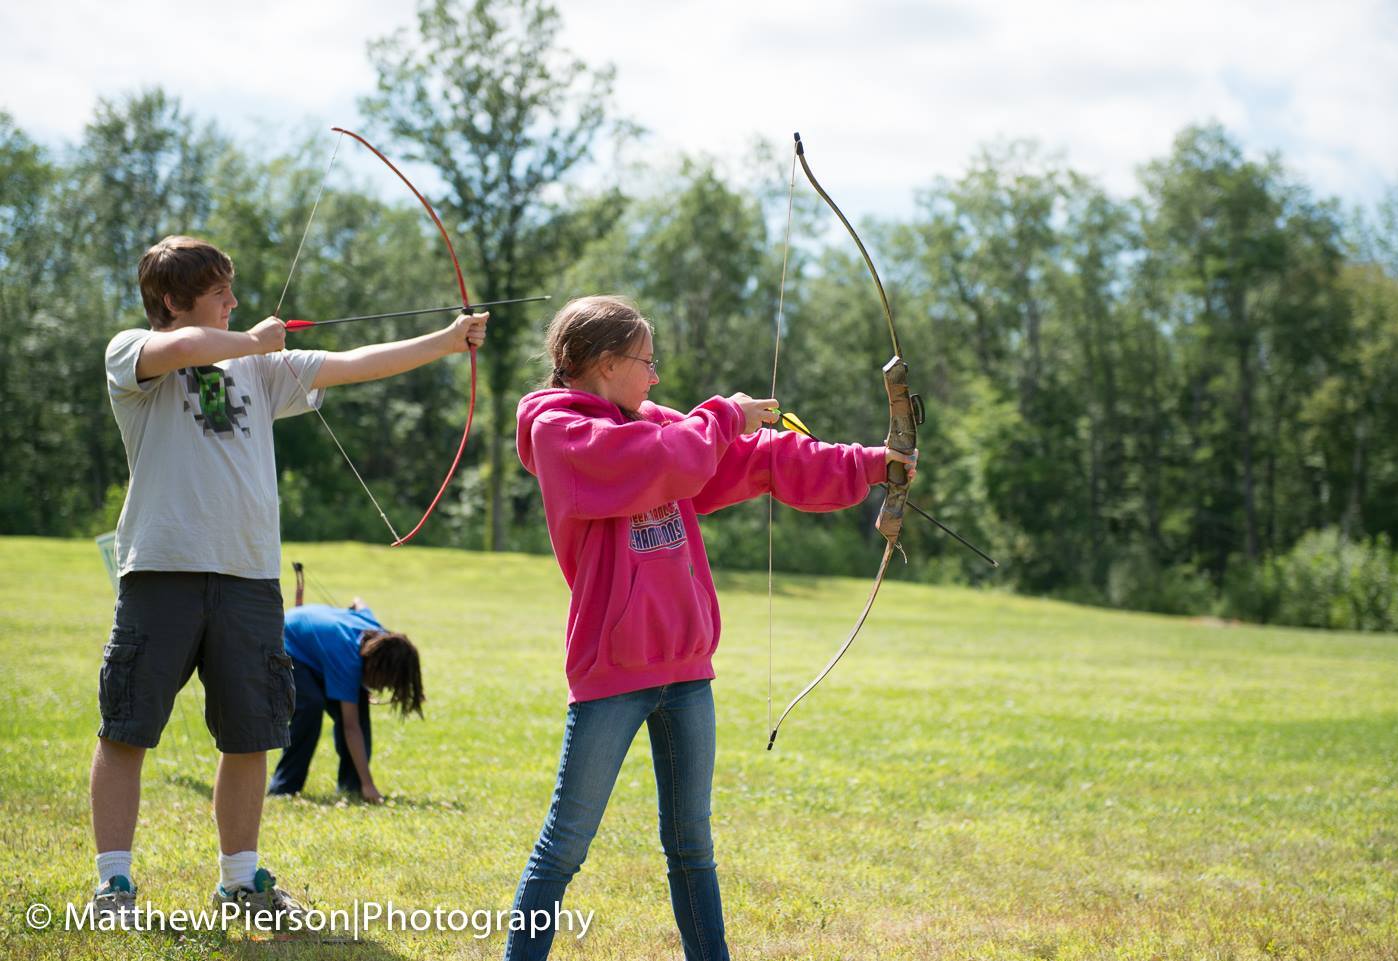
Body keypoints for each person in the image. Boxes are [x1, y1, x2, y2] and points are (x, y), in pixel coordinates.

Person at [505, 295, 917, 960]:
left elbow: (760, 460)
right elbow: (661, 458)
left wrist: (872, 463)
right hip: (614, 671)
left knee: (692, 846)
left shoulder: (662, 428)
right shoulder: (565, 435)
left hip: (686, 672)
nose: (657, 375)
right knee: (564, 847)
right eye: (647, 360)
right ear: (607, 365)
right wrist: (724, 413)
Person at [90, 235, 486, 924]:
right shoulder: (133, 351)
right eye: (220, 294)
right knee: (127, 727)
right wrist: (248, 339)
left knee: (250, 732)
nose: (235, 302)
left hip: (249, 577)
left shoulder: (260, 368)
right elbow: (181, 350)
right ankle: (112, 887)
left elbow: (356, 362)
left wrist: (448, 340)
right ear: (174, 301)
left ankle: (240, 881)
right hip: (163, 568)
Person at [267, 598, 424, 802]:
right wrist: (370, 784)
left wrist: (350, 608)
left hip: (318, 645)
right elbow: (351, 727)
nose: (384, 687)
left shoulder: (378, 636)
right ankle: (284, 788)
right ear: (376, 668)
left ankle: (352, 787)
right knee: (310, 707)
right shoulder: (348, 661)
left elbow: (359, 602)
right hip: (288, 642)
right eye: (386, 681)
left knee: (357, 706)